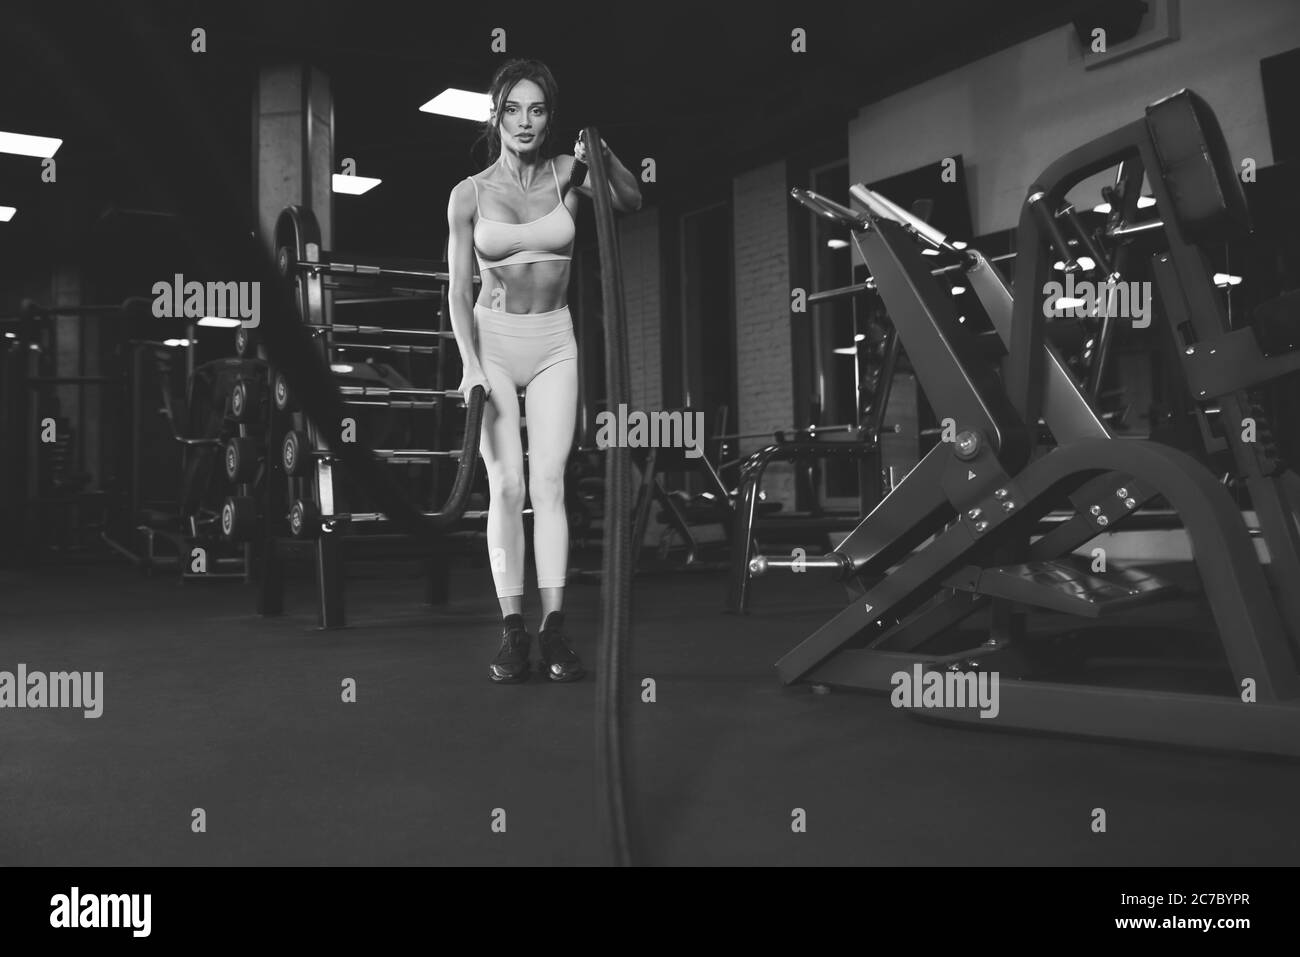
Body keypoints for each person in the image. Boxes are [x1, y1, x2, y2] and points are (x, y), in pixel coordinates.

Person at [446, 58, 642, 683]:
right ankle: (511, 629)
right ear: (496, 116)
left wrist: (604, 157)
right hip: (494, 338)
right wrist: (471, 365)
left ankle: (553, 627)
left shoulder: (569, 174)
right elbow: (456, 291)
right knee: (506, 485)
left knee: (550, 483)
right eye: (513, 109)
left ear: (549, 117)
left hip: (555, 337)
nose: (525, 121)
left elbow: (631, 200)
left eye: (537, 110)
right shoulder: (469, 193)